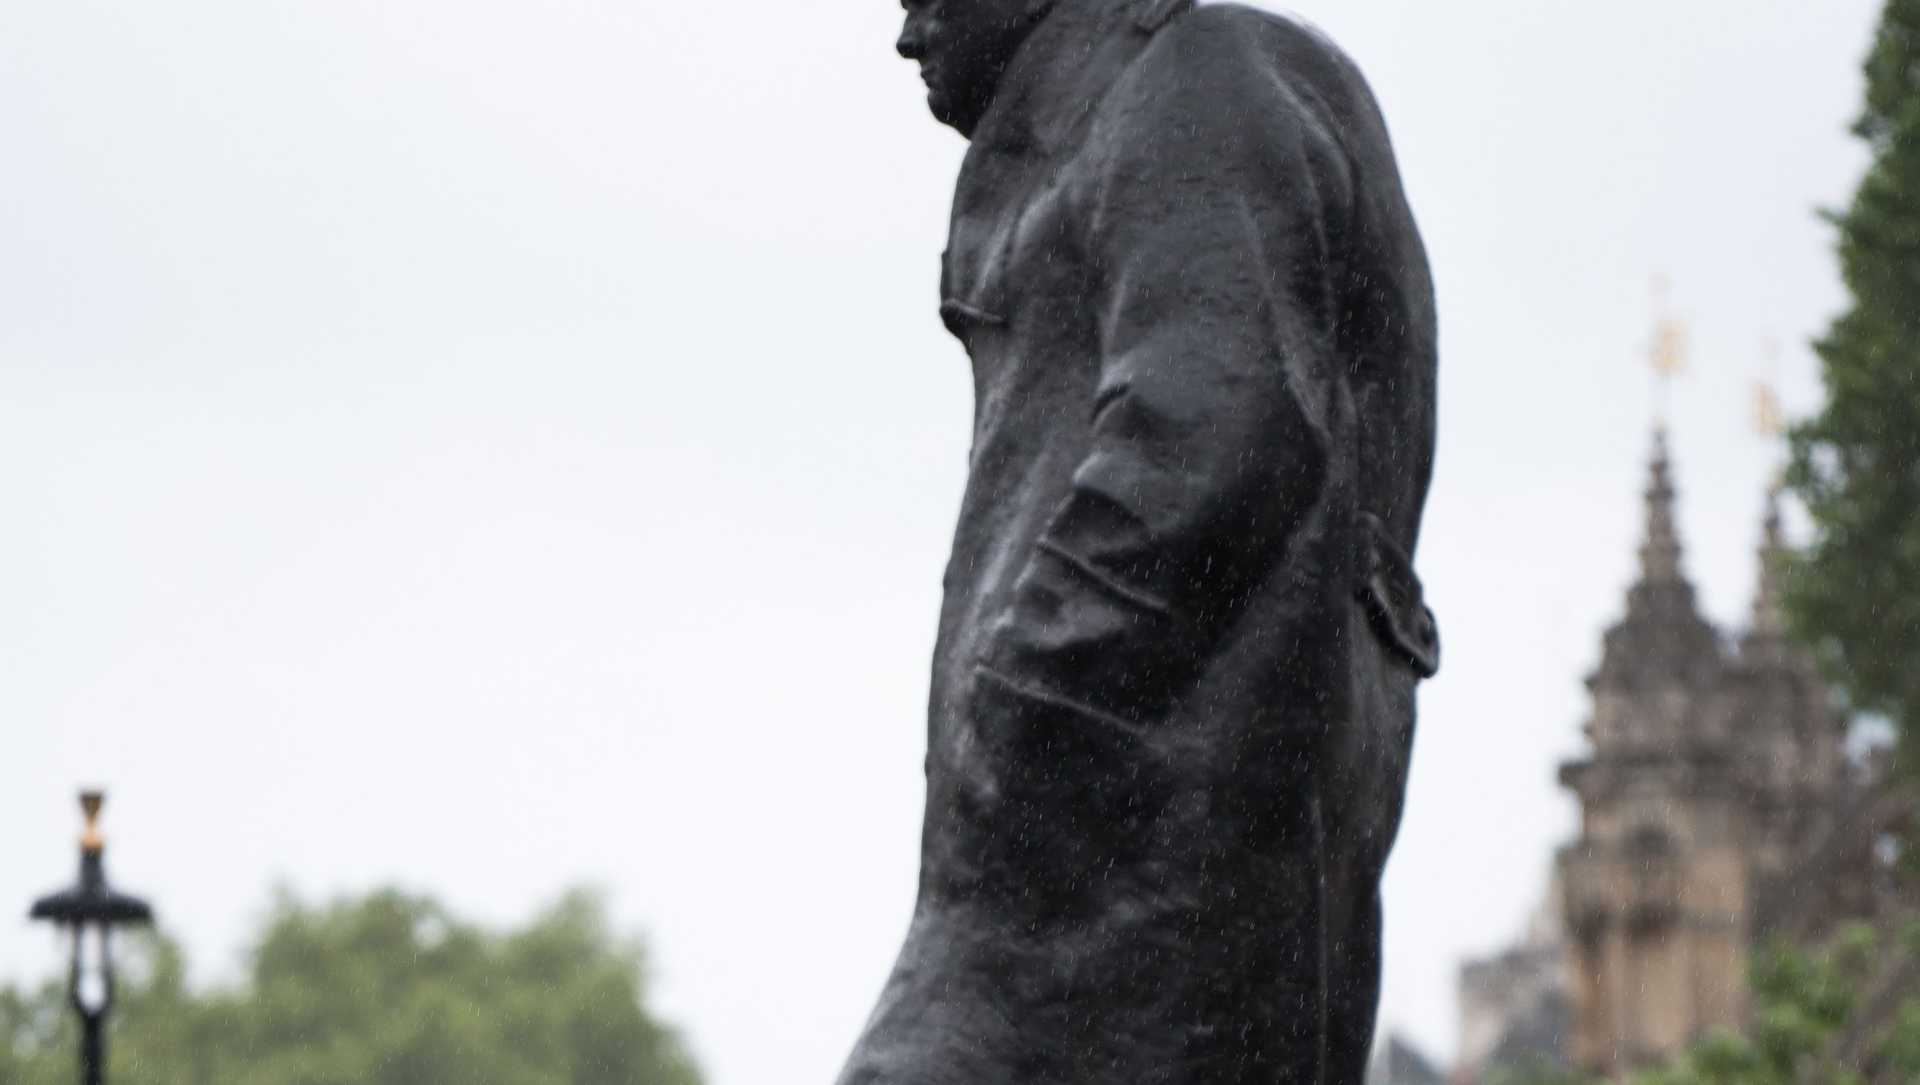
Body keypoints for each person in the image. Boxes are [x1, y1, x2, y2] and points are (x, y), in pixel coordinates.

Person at [840, 0, 1439, 1080]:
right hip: (1131, 866)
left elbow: (1217, 431)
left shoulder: (1193, 86)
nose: (906, 34)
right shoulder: (1178, 96)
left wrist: (1013, 709)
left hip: (1117, 869)